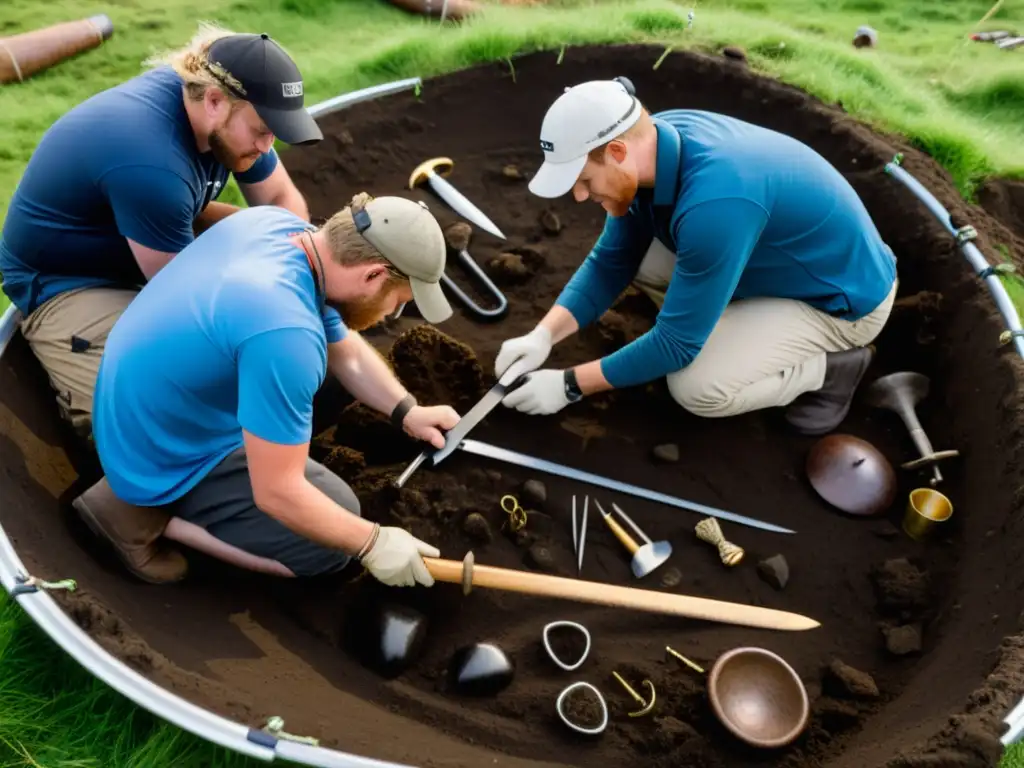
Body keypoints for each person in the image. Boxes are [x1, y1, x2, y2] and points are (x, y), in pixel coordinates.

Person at [71, 193, 459, 588]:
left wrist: (407, 411)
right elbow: (276, 494)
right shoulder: (286, 335)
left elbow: (350, 356)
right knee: (332, 546)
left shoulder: (277, 227)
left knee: (329, 373)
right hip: (158, 449)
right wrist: (372, 543)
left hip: (139, 396)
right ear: (373, 274)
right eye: (397, 302)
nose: (391, 314)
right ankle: (137, 515)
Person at [495, 78, 898, 435]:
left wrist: (569, 385)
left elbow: (676, 345)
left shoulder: (716, 202)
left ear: (617, 152)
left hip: (840, 303)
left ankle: (829, 372)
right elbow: (611, 260)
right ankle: (720, 323)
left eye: (584, 180)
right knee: (646, 263)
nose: (580, 196)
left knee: (695, 386)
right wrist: (542, 336)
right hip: (768, 259)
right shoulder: (652, 142)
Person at [0, 23, 321, 437]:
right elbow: (185, 308)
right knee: (148, 422)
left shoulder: (228, 116)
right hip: (67, 284)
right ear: (214, 101)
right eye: (262, 130)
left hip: (152, 241)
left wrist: (298, 279)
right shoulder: (153, 163)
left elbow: (281, 202)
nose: (267, 146)